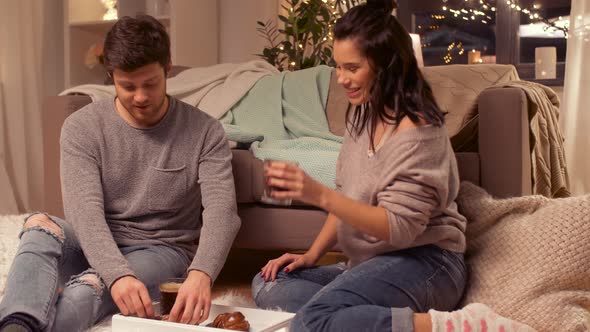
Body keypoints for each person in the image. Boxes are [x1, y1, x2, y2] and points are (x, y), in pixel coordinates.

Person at [251, 1, 535, 332]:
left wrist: (317, 194)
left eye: (352, 68)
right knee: (267, 283)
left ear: (386, 65)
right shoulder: (361, 115)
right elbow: (348, 194)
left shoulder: (419, 133)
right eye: (338, 67)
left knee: (312, 320)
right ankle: (357, 313)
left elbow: (398, 228)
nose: (341, 79)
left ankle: (457, 325)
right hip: (369, 263)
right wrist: (310, 256)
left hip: (427, 262)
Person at [0, 15, 240, 332]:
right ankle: (15, 325)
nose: (140, 96)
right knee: (39, 226)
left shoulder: (206, 132)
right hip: (95, 241)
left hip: (162, 251)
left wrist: (202, 272)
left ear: (168, 67)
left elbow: (222, 211)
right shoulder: (81, 127)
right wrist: (118, 273)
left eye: (150, 84)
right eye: (127, 86)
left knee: (87, 290)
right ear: (111, 76)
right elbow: (83, 212)